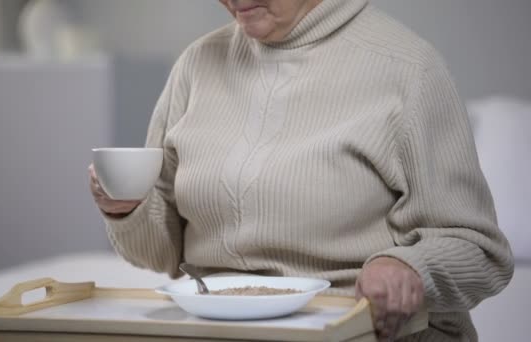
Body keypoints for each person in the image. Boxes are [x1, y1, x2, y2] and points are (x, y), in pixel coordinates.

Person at [89, 0, 514, 340]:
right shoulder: (196, 65)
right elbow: (162, 252)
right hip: (215, 329)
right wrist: (127, 210)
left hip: (359, 329)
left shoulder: (408, 68)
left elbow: (480, 250)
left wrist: (409, 267)